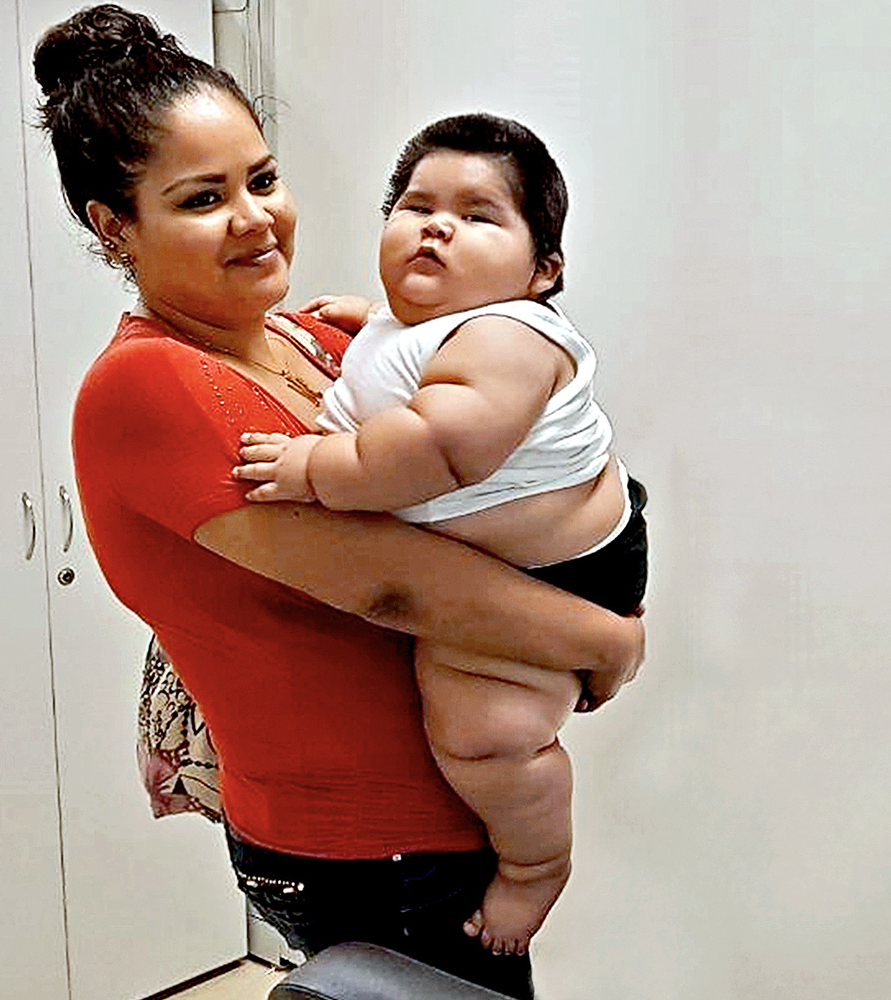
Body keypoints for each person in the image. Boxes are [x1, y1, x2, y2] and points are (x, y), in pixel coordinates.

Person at [33, 7, 641, 997]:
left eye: (262, 179)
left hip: (439, 816)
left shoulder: (310, 335)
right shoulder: (147, 385)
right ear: (115, 225)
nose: (255, 218)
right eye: (202, 198)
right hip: (368, 846)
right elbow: (395, 586)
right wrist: (605, 637)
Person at [232, 114, 646, 956]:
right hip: (518, 557)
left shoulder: (509, 338)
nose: (436, 227)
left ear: (541, 272)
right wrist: (367, 321)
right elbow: (410, 357)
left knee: (485, 737)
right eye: (415, 206)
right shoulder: (418, 324)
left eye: (478, 215)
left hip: (562, 570)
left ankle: (535, 865)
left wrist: (318, 466)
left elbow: (437, 447)